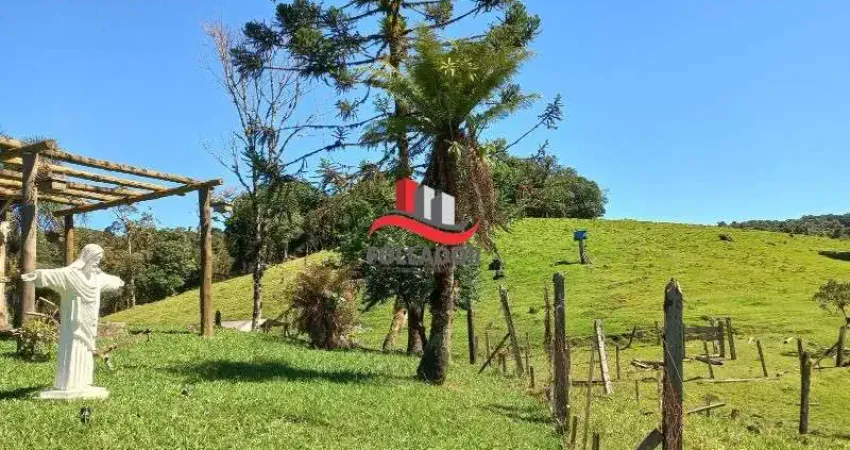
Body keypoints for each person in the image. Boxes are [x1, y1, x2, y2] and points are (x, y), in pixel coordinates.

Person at [22, 244, 124, 396]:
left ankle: (83, 383)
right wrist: (37, 275)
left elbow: (111, 280)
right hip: (73, 323)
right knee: (73, 349)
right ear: (87, 257)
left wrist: (119, 281)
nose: (97, 262)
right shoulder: (70, 275)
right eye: (95, 258)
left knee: (87, 349)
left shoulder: (97, 277)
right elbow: (54, 274)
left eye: (99, 259)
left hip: (89, 322)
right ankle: (68, 384)